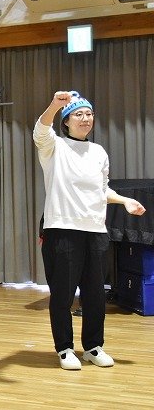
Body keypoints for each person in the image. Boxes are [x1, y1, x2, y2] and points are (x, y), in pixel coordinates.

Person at [33, 90, 146, 370]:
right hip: (62, 230)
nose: (85, 118)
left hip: (95, 231)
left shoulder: (98, 152)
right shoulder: (54, 147)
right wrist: (55, 105)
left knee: (95, 294)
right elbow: (41, 130)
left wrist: (124, 200)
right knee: (63, 294)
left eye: (89, 114)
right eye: (78, 114)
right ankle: (64, 349)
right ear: (66, 121)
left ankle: (93, 347)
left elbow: (102, 190)